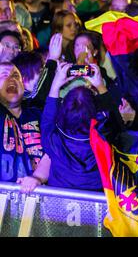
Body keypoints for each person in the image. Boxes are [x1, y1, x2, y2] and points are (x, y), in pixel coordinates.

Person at [40, 62, 110, 191]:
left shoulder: (53, 139)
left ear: (63, 109)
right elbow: (115, 119)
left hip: (57, 204)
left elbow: (47, 120)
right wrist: (100, 85)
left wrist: (55, 84)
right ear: (95, 111)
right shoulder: (106, 138)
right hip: (96, 205)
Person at [0, 62, 50, 193]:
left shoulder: (39, 114)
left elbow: (51, 153)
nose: (11, 79)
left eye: (16, 76)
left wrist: (36, 177)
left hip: (39, 199)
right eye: (4, 75)